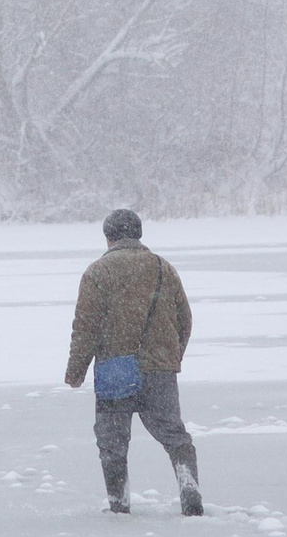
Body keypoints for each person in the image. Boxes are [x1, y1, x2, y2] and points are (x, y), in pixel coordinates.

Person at [63, 207, 201, 515]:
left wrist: (76, 371)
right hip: (159, 371)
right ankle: (188, 485)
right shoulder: (164, 268)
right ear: (138, 234)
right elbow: (185, 319)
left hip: (115, 370)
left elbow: (85, 326)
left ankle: (119, 503)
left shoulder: (98, 272)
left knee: (112, 442)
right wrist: (170, 357)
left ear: (108, 237)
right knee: (174, 434)